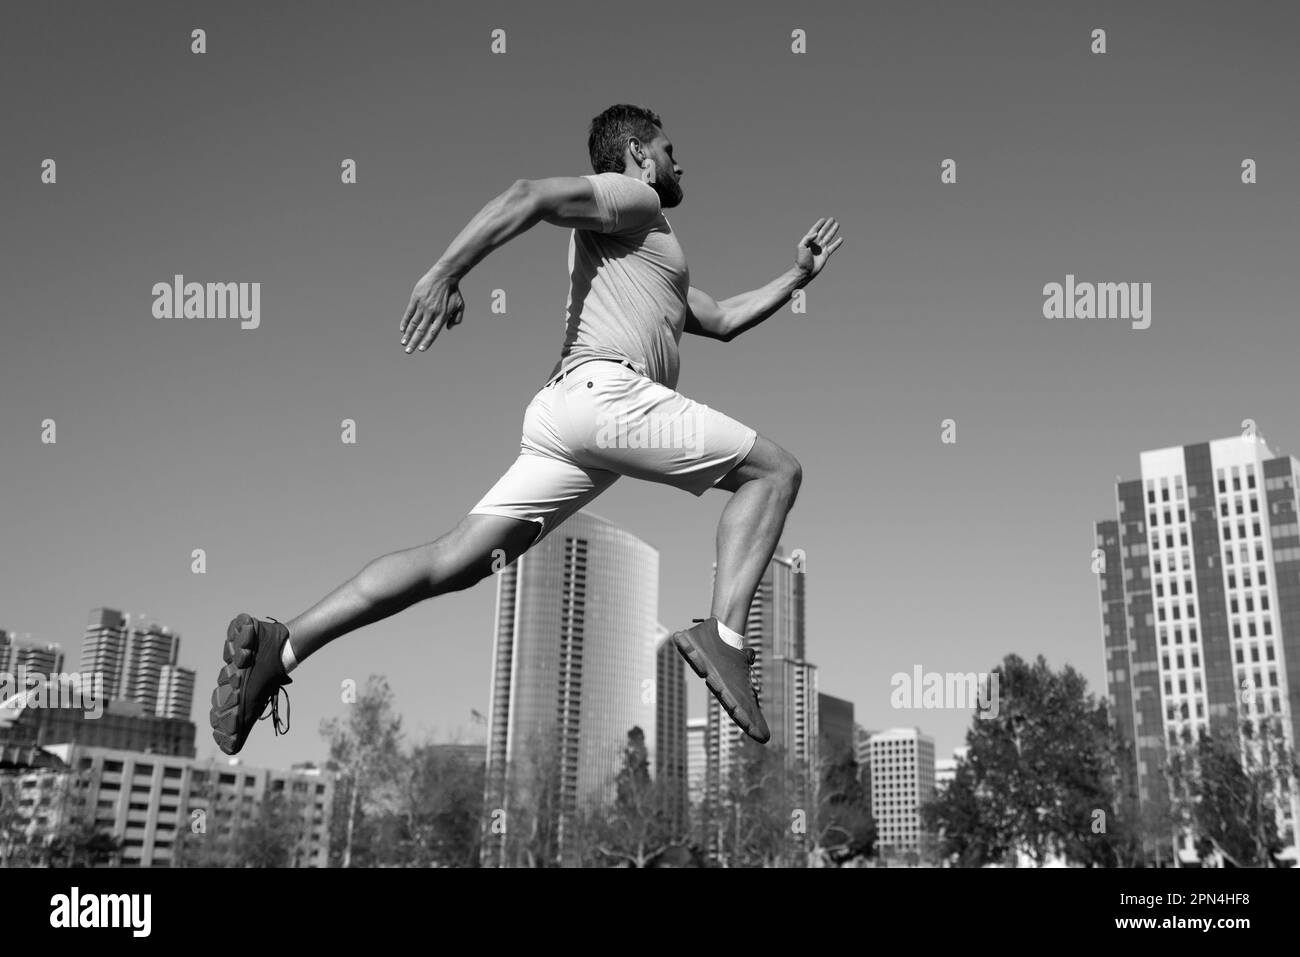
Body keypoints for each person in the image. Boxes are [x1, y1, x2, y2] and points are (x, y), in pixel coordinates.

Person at [209, 104, 842, 756]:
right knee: (776, 471)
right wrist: (444, 273)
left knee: (453, 561)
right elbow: (528, 195)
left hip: (567, 418)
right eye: (670, 148)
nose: (682, 162)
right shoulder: (637, 199)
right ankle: (726, 637)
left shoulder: (649, 253)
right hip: (608, 398)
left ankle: (282, 646)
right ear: (638, 155)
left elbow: (722, 318)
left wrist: (797, 276)